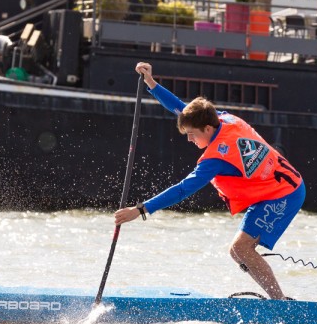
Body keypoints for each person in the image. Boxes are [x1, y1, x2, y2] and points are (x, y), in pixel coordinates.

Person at [114, 61, 306, 300]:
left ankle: (279, 304)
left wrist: (140, 209)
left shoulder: (216, 159)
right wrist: (151, 84)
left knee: (241, 249)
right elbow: (182, 109)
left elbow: (183, 189)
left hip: (285, 194)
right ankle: (275, 300)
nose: (189, 140)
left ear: (206, 129)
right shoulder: (223, 119)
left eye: (192, 135)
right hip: (272, 189)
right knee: (237, 252)